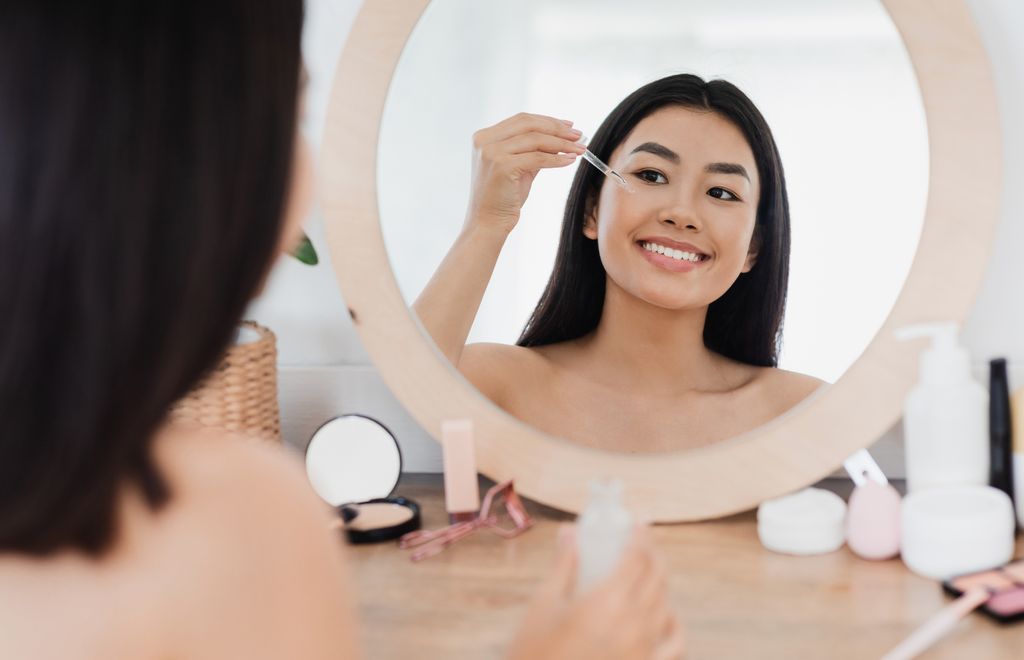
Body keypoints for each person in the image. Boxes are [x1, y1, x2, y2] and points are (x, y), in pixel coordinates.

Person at [0, 2, 682, 658]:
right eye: (293, 115)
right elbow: (419, 382)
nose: (680, 212)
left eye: (721, 191)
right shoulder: (238, 517)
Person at [415, 74, 825, 452]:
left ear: (754, 246)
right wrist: (487, 223)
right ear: (592, 210)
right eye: (651, 175)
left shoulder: (805, 414)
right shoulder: (492, 382)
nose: (681, 213)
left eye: (720, 192)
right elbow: (385, 426)